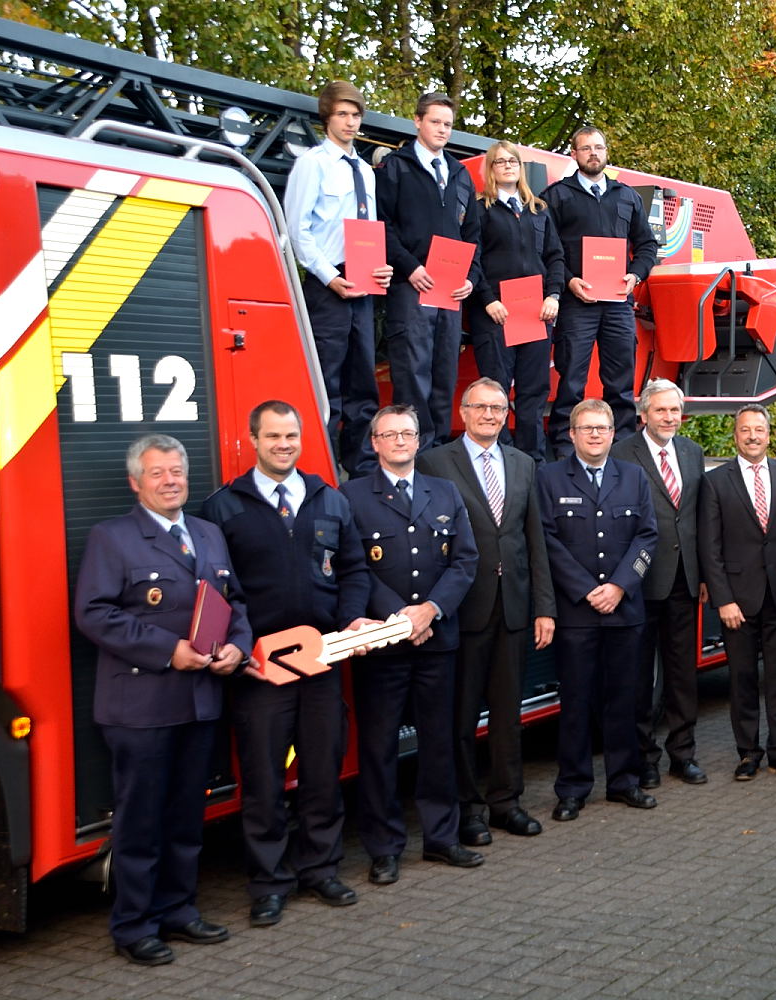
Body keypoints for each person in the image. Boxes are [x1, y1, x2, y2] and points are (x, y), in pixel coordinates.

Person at [75, 435, 249, 965]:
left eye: (177, 470)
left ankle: (178, 909)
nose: (171, 480)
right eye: (157, 473)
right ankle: (133, 925)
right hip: (141, 708)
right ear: (135, 482)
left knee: (184, 815)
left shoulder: (208, 533)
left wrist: (237, 647)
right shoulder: (113, 538)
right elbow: (94, 613)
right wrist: (166, 650)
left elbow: (232, 600)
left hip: (199, 701)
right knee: (141, 820)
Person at [200, 401, 371, 927]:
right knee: (264, 780)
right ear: (253, 439)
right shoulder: (223, 508)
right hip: (259, 670)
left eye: (291, 435)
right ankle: (269, 883)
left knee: (322, 769)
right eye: (273, 436)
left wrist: (350, 623)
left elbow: (354, 570)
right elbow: (215, 590)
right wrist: (239, 645)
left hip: (321, 661)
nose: (283, 444)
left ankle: (320, 869)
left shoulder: (329, 500)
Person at [344, 405, 482, 883]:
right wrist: (401, 618)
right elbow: (354, 567)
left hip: (437, 639)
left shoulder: (443, 491)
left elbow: (465, 560)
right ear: (374, 442)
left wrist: (430, 610)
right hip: (384, 647)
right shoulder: (353, 496)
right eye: (390, 434)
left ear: (419, 440)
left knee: (439, 743)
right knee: (379, 749)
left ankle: (442, 838)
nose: (400, 440)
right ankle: (384, 849)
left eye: (408, 433)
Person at [418, 378, 556, 843]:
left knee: (507, 713)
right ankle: (466, 808)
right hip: (462, 610)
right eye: (481, 408)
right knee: (460, 717)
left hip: (514, 607)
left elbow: (533, 538)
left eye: (499, 408)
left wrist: (544, 607)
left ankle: (506, 802)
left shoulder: (522, 463)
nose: (491, 416)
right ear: (463, 412)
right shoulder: (435, 462)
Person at [536, 398, 659, 820]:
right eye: (585, 428)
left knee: (624, 700)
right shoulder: (549, 478)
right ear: (571, 435)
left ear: (613, 434)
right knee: (576, 703)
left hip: (624, 612)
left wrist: (620, 587)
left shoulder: (635, 477)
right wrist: (588, 589)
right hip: (577, 613)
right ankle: (572, 787)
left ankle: (624, 781)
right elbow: (548, 541)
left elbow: (647, 537)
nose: (594, 435)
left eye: (601, 428)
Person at [281, 80, 393, 477]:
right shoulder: (312, 163)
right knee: (326, 377)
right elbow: (297, 230)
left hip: (364, 280)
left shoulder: (365, 170)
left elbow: (371, 228)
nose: (350, 122)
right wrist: (329, 277)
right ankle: (320, 464)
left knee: (363, 376)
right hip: (327, 282)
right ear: (327, 117)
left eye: (356, 115)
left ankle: (360, 465)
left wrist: (380, 266)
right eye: (343, 114)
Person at [700, 404, 776, 780]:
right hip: (738, 600)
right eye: (745, 430)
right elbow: (710, 547)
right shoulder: (716, 481)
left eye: (759, 430)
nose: (752, 436)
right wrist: (724, 600)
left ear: (769, 435)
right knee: (743, 678)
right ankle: (748, 752)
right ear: (735, 435)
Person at [611, 379, 709, 787]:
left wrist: (704, 575)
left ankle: (682, 755)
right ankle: (644, 759)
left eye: (675, 411)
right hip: (641, 581)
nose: (669, 418)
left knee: (683, 675)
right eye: (661, 411)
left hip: (685, 580)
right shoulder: (621, 454)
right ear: (643, 414)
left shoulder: (692, 452)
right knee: (637, 679)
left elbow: (700, 518)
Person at [542, 126, 660, 454]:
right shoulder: (556, 196)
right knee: (571, 381)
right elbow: (546, 249)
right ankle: (564, 450)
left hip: (618, 304)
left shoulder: (627, 196)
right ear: (574, 154)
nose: (593, 153)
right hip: (576, 302)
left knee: (621, 383)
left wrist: (635, 275)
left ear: (606, 152)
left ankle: (622, 448)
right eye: (585, 148)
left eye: (598, 147)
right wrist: (568, 281)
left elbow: (647, 245)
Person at [376, 92, 482, 451]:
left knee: (444, 372)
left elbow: (473, 235)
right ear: (417, 121)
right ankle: (413, 451)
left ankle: (438, 451)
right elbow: (382, 225)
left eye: (448, 124)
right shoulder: (396, 167)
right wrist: (410, 267)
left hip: (450, 291)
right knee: (412, 372)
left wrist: (471, 277)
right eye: (435, 121)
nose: (442, 130)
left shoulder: (459, 173)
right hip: (412, 286)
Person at [467, 140, 565, 462]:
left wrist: (553, 295)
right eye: (500, 162)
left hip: (534, 314)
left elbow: (555, 257)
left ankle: (532, 464)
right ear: (491, 169)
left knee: (533, 392)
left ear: (521, 168)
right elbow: (472, 259)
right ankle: (501, 460)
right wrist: (487, 300)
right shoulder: (479, 209)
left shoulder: (538, 210)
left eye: (513, 161)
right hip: (496, 314)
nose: (508, 166)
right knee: (495, 393)